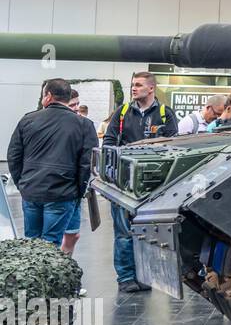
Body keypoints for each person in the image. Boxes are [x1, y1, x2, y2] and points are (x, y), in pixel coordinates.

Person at [102, 71, 176, 292]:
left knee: (148, 232)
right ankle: (125, 278)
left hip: (153, 186)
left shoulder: (164, 114)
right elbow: (108, 142)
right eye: (133, 85)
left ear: (151, 88)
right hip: (125, 186)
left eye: (139, 85)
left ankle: (145, 275)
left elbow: (174, 145)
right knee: (124, 233)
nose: (134, 88)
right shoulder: (122, 112)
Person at [6, 78, 98, 249]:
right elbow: (87, 164)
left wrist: (23, 184)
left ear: (48, 96)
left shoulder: (27, 120)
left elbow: (13, 156)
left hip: (31, 191)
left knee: (31, 242)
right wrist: (77, 191)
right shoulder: (84, 125)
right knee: (51, 244)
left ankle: (32, 275)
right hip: (62, 194)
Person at [60, 88, 99, 258]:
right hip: (57, 188)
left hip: (73, 188)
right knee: (49, 238)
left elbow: (89, 158)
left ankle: (63, 271)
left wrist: (82, 186)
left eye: (77, 104)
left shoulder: (84, 125)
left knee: (72, 235)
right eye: (71, 105)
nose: (76, 108)